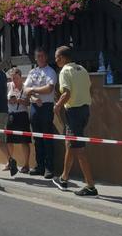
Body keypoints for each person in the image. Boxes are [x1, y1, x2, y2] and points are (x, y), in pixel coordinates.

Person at [52, 46, 96, 196]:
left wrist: (57, 106)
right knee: (70, 144)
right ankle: (64, 178)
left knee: (79, 150)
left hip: (74, 113)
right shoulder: (82, 69)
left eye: (57, 57)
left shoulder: (64, 71)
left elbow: (67, 93)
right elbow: (91, 90)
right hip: (85, 111)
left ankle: (91, 186)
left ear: (63, 58)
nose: (56, 60)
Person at [23, 47, 57, 178]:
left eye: (42, 56)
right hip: (34, 108)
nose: (40, 58)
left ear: (46, 57)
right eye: (38, 56)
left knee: (47, 138)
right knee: (37, 138)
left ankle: (49, 168)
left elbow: (49, 89)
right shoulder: (32, 72)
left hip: (46, 107)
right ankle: (39, 166)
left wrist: (33, 90)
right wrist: (32, 97)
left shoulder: (50, 71)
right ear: (35, 58)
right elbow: (25, 90)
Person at [6, 67, 32, 174]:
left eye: (16, 78)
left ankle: (26, 165)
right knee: (9, 140)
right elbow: (3, 98)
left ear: (21, 77)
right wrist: (9, 99)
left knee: (24, 141)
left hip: (22, 115)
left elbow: (29, 103)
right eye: (12, 79)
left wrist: (18, 100)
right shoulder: (8, 86)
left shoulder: (26, 87)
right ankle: (10, 162)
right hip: (11, 115)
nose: (14, 81)